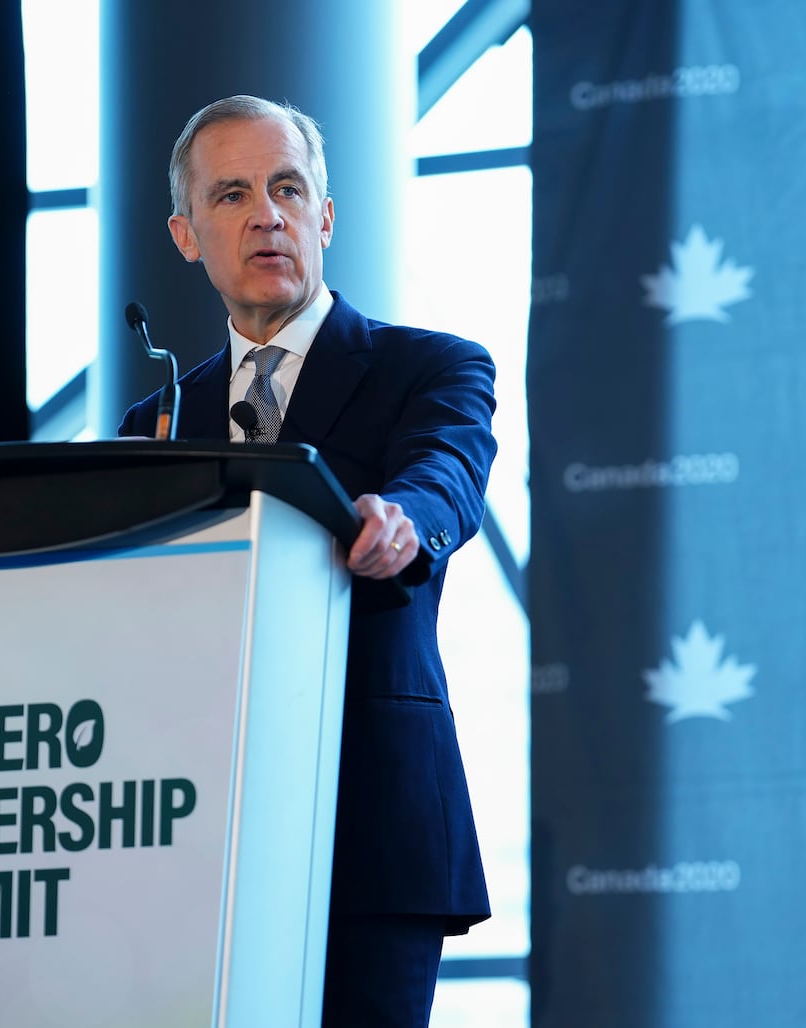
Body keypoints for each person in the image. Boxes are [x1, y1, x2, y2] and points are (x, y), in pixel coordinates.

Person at [118, 94, 497, 1026]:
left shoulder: (433, 366)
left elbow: (447, 473)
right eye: (234, 194)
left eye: (288, 189)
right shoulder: (153, 424)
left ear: (325, 215)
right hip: (200, 837)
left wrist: (404, 522)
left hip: (374, 821)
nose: (267, 215)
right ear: (187, 233)